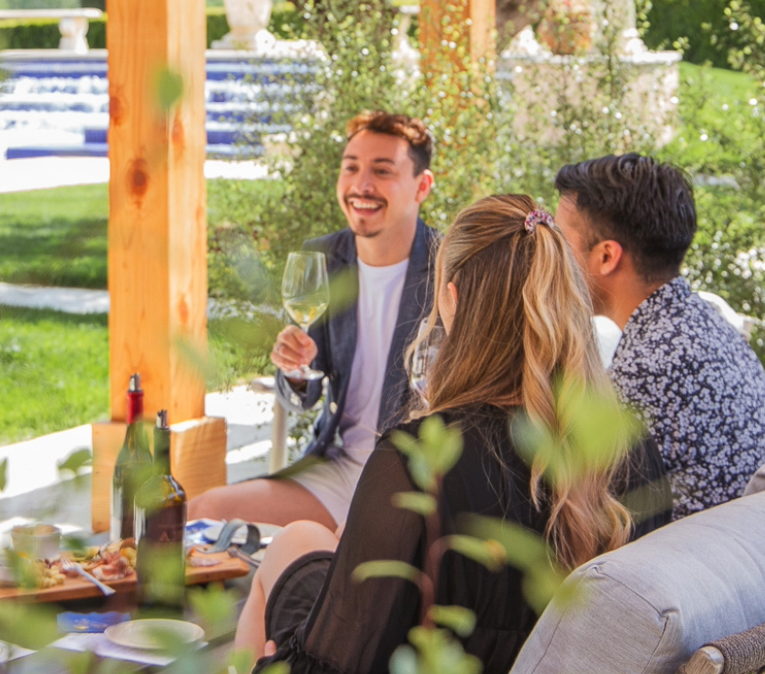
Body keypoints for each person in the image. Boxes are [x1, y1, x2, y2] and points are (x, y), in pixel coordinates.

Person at [235, 194, 669, 674]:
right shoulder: (630, 446)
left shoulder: (419, 459)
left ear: (453, 298)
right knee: (314, 541)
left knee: (294, 543)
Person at [190, 111, 441, 530]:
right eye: (351, 168)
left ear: (422, 186)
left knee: (326, 561)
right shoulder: (324, 259)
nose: (362, 185)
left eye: (382, 171)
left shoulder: (451, 269)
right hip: (339, 472)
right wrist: (295, 371)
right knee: (203, 511)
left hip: (414, 487)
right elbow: (300, 400)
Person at [554, 153, 765, 519]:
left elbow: (581, 515)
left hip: (696, 567)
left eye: (559, 242)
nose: (549, 258)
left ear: (606, 256)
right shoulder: (704, 327)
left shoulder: (648, 367)